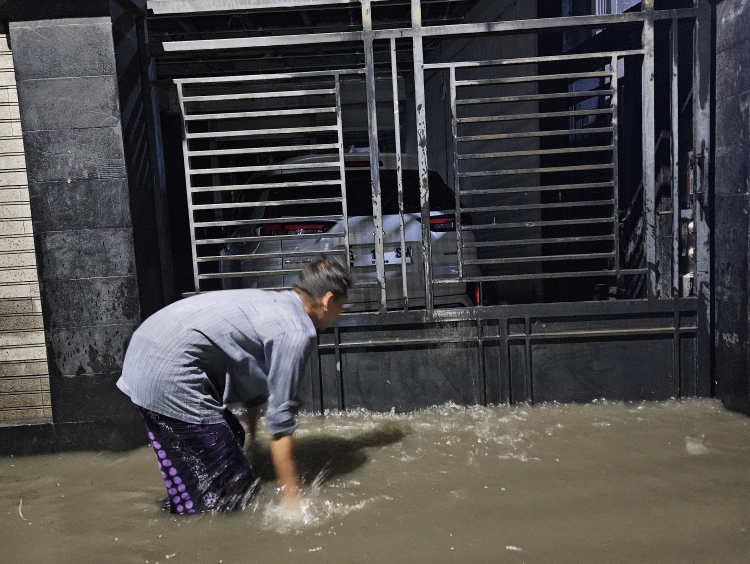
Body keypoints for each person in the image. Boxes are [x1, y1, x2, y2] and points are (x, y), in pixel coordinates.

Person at [116, 257, 351, 514]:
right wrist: (290, 495)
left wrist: (251, 439)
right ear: (328, 299)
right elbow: (281, 419)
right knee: (233, 489)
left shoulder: (275, 301)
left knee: (231, 441)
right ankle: (188, 527)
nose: (339, 313)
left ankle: (184, 504)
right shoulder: (296, 331)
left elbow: (257, 380)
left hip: (143, 356)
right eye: (341, 304)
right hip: (166, 374)